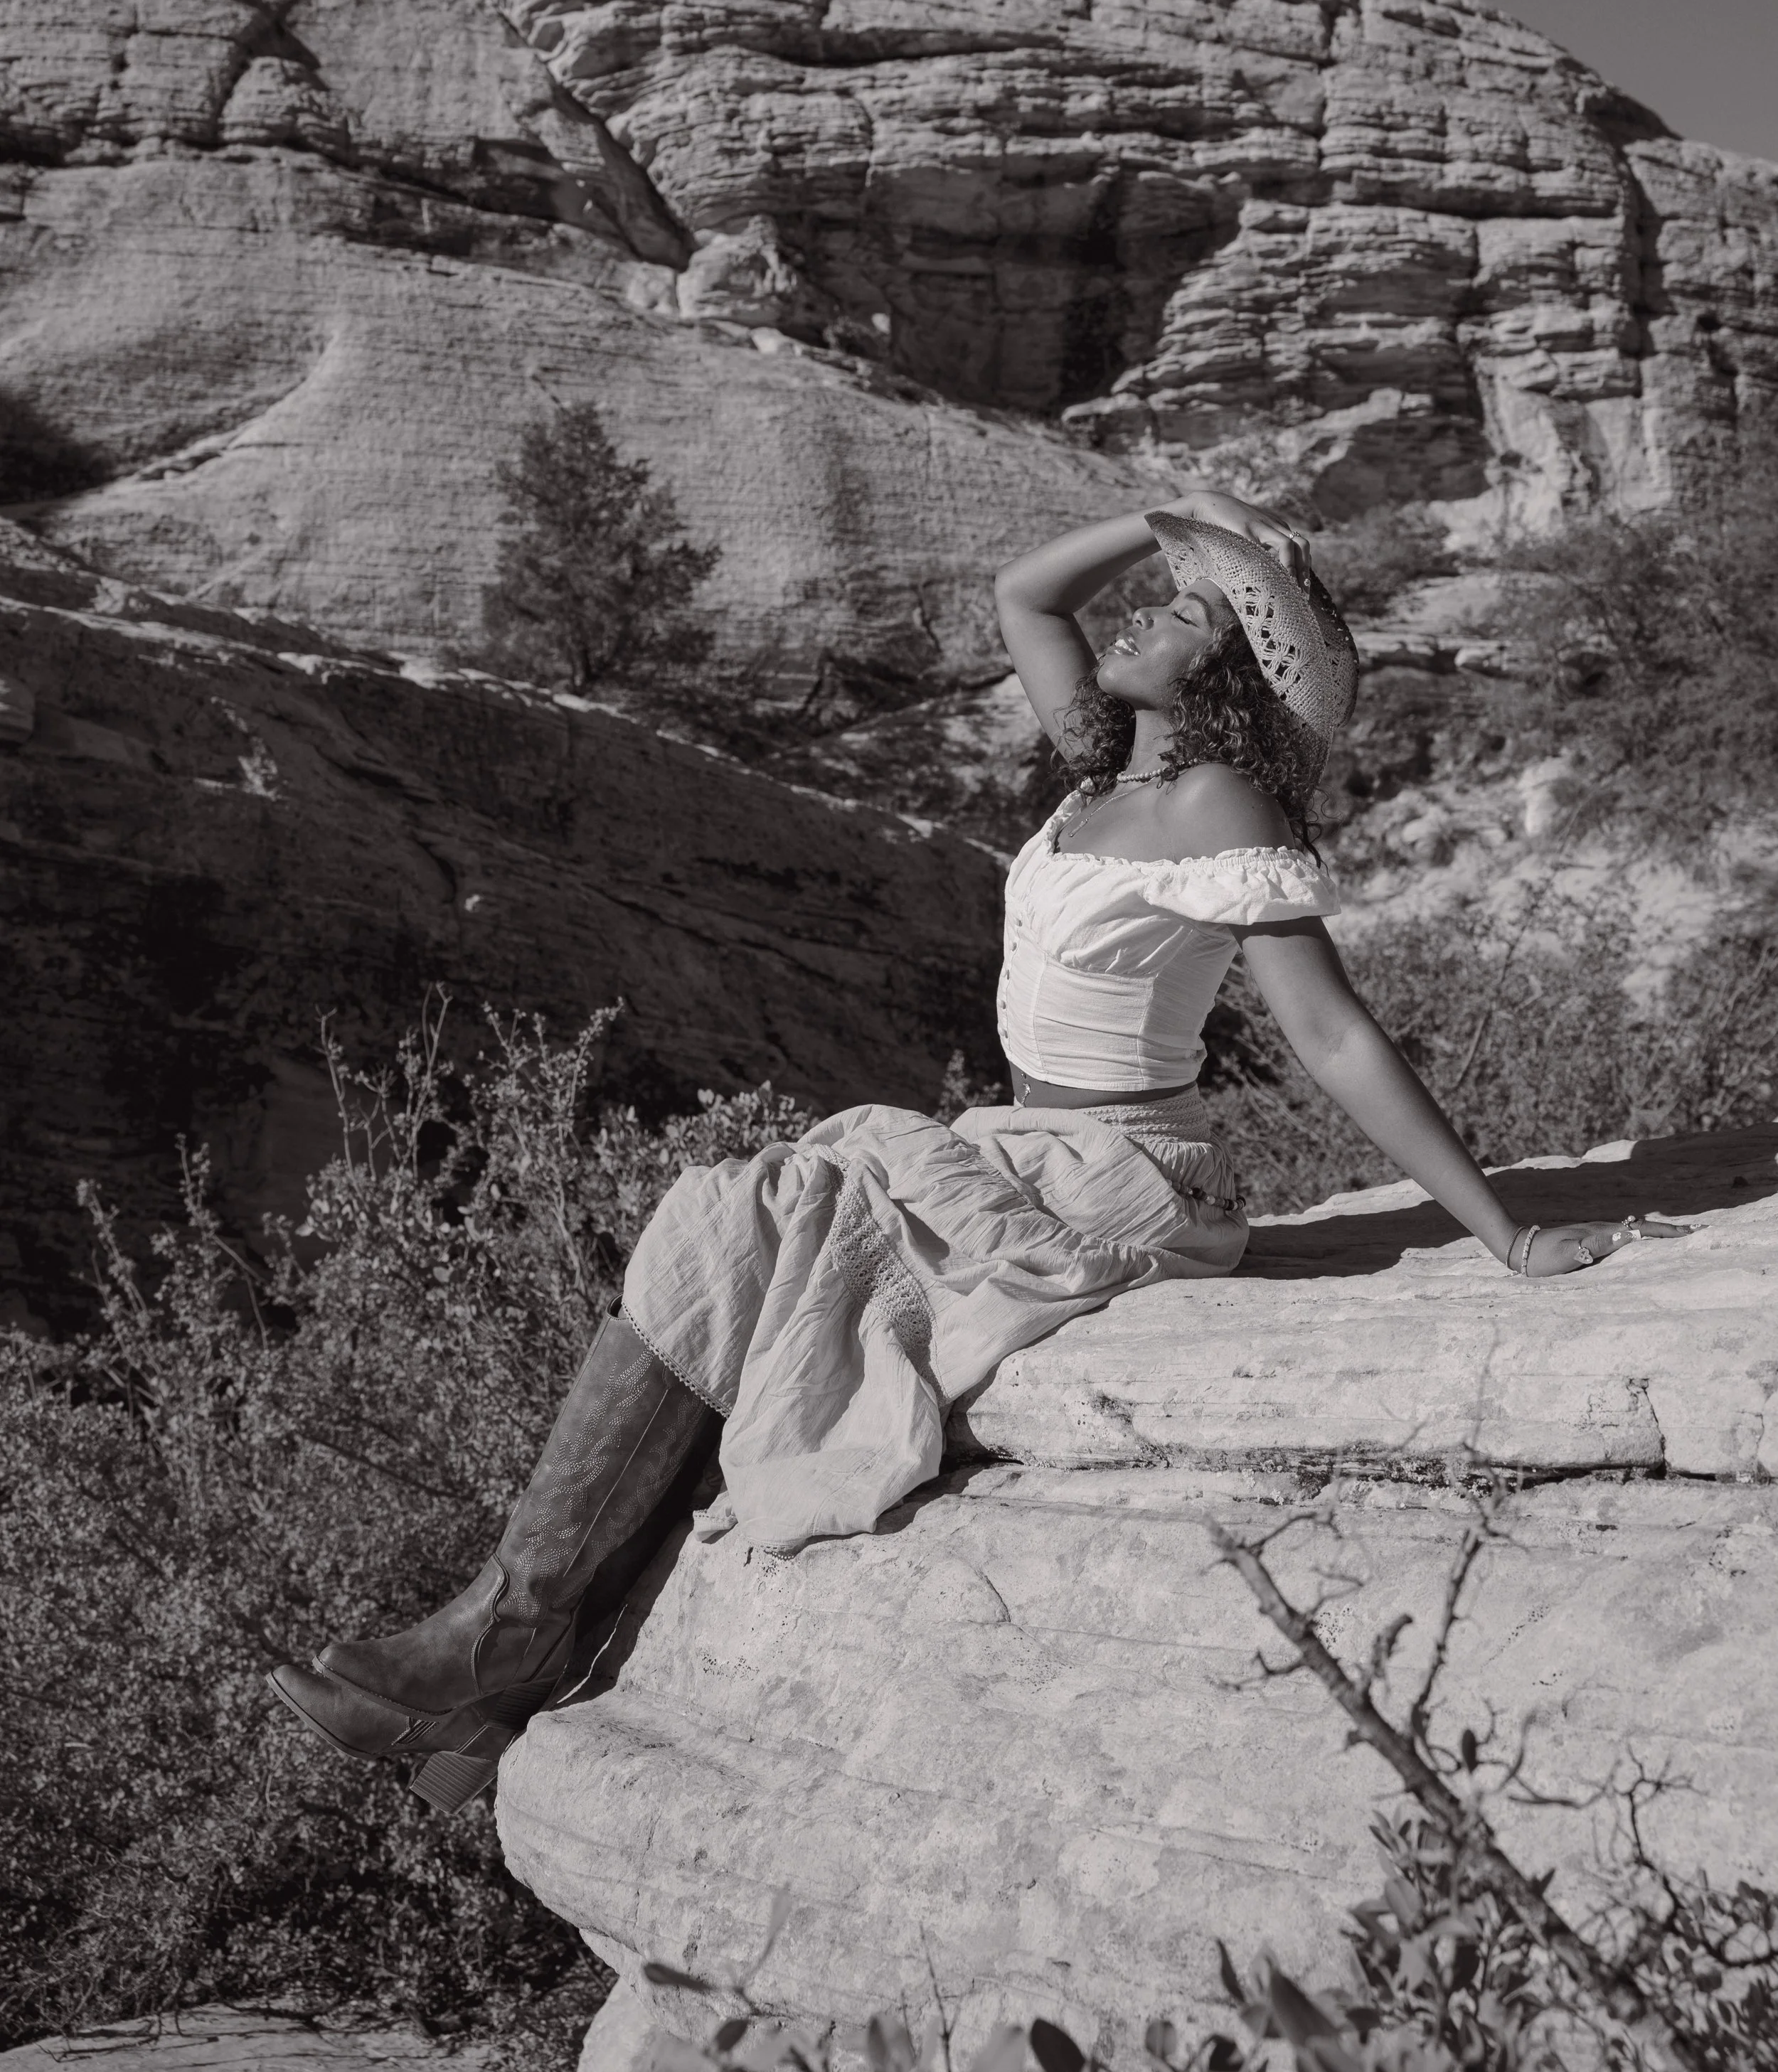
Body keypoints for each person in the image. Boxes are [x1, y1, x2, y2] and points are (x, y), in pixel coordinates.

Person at [270, 485, 1686, 1812]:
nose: (1138, 616)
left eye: (1183, 614)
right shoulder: (1096, 772)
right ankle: (498, 1645)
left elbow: (1329, 1036)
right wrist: (1168, 526)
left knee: (764, 1219)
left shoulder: (1216, 809)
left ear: (1228, 676)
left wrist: (1501, 1234)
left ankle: (498, 1650)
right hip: (1009, 1147)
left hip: (1112, 1177)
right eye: (1153, 599)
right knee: (735, 1227)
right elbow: (1026, 595)